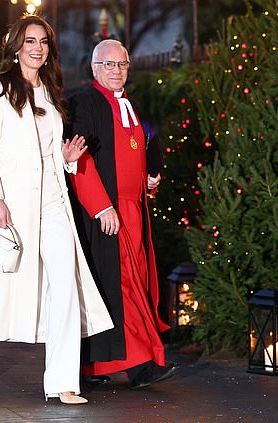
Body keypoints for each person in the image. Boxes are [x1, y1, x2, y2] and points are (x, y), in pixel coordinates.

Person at [0, 15, 113, 405]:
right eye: (30, 41)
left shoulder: (52, 91)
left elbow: (48, 154)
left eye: (43, 42)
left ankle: (62, 382)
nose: (37, 48)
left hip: (54, 202)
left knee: (65, 285)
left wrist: (69, 159)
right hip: (14, 204)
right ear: (17, 48)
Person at [65, 39, 177, 389]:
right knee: (121, 286)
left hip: (134, 211)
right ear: (95, 68)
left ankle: (94, 368)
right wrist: (101, 206)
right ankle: (141, 363)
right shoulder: (85, 102)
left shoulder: (130, 103)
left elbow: (136, 150)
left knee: (133, 285)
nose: (116, 71)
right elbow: (77, 158)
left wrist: (151, 180)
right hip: (107, 215)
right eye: (109, 65)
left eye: (122, 64)